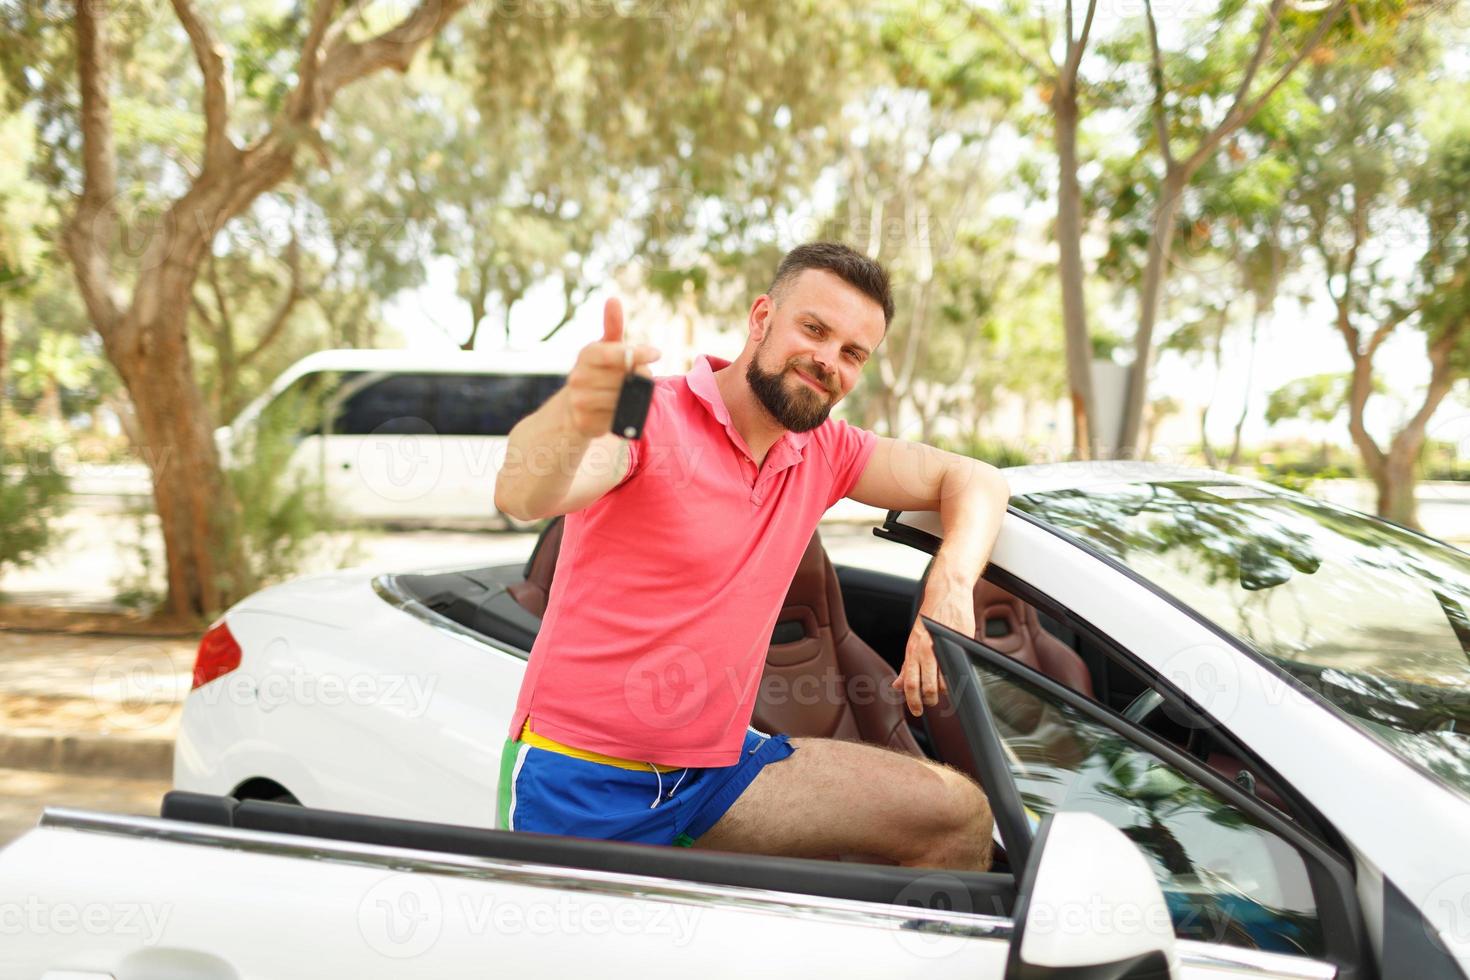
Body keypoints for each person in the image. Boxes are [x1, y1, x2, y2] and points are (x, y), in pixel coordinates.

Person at [493, 242, 1009, 871]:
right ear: (762, 318)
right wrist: (574, 414)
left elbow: (977, 480)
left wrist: (949, 586)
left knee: (957, 815)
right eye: (814, 329)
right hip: (579, 783)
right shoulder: (652, 419)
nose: (827, 362)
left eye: (852, 354)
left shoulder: (827, 450)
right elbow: (523, 491)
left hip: (715, 777)